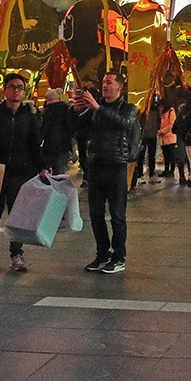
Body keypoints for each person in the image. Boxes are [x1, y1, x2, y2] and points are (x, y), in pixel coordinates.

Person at [0, 73, 47, 273]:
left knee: (17, 217)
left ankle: (17, 255)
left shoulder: (30, 116)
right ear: (4, 90)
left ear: (24, 92)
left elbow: (35, 145)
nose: (16, 91)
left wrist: (42, 166)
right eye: (12, 87)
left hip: (21, 173)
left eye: (20, 87)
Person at [73, 72, 139, 274]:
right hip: (96, 165)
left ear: (119, 86)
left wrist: (99, 108)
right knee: (96, 215)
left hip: (116, 165)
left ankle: (119, 257)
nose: (104, 85)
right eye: (103, 82)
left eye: (109, 82)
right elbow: (77, 129)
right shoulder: (94, 107)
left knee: (117, 215)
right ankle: (102, 254)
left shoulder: (128, 108)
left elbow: (125, 123)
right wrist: (76, 111)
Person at [41, 88, 74, 178]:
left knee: (48, 170)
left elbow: (44, 127)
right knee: (60, 170)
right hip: (64, 142)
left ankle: (50, 185)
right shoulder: (66, 109)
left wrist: (40, 140)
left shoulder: (47, 111)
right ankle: (61, 185)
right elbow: (70, 125)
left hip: (49, 143)